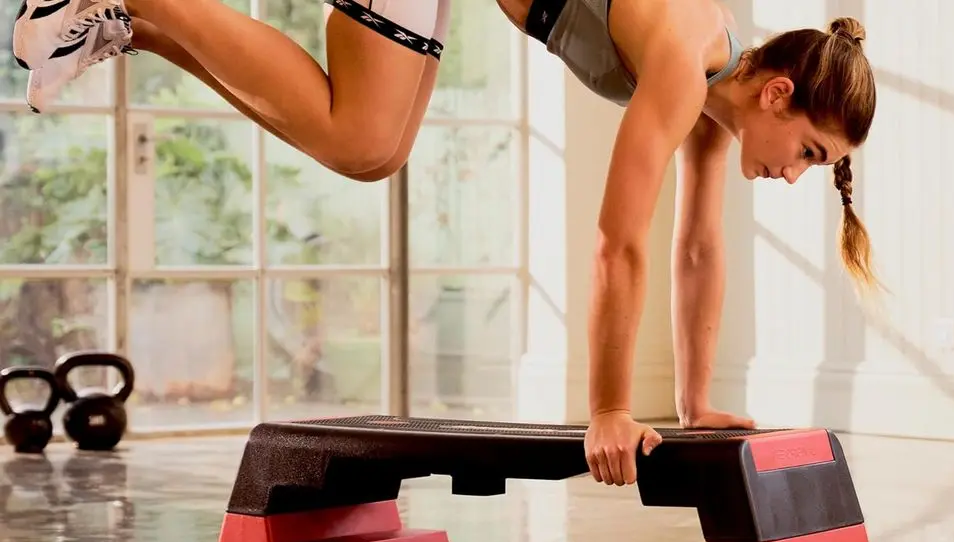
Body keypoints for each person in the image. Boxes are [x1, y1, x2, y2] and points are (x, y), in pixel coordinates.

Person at [13, 0, 877, 486]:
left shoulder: (715, 99)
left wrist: (694, 405)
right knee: (360, 140)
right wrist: (610, 407)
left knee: (374, 145)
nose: (797, 175)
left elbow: (697, 251)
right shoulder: (686, 63)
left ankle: (130, 17)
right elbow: (620, 243)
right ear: (778, 94)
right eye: (810, 152)